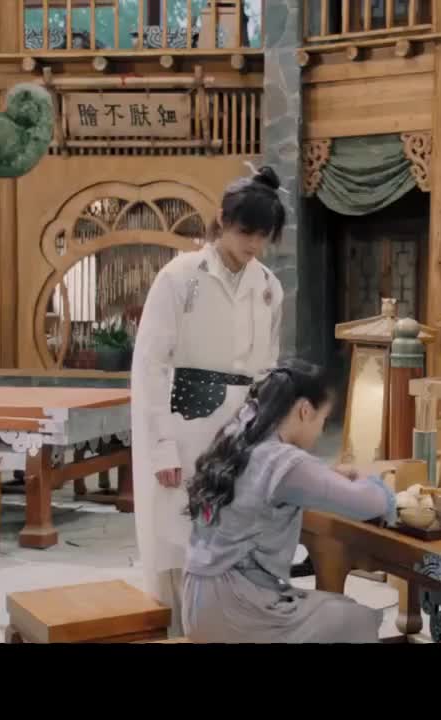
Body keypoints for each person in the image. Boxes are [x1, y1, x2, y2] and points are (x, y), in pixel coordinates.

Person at [130, 165, 287, 637]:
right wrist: (161, 446)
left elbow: (268, 371)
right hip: (185, 421)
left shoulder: (269, 287)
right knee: (179, 539)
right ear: (222, 219)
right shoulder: (180, 277)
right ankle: (177, 633)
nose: (253, 245)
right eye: (245, 232)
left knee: (233, 537)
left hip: (242, 431)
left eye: (262, 236)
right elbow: (150, 365)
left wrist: (266, 438)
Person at [181, 359, 397, 643]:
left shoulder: (238, 434)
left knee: (337, 607)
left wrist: (328, 477)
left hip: (198, 599)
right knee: (354, 618)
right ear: (305, 411)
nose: (320, 431)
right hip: (234, 606)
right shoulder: (281, 460)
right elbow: (369, 503)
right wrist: (375, 482)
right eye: (322, 419)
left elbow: (284, 481)